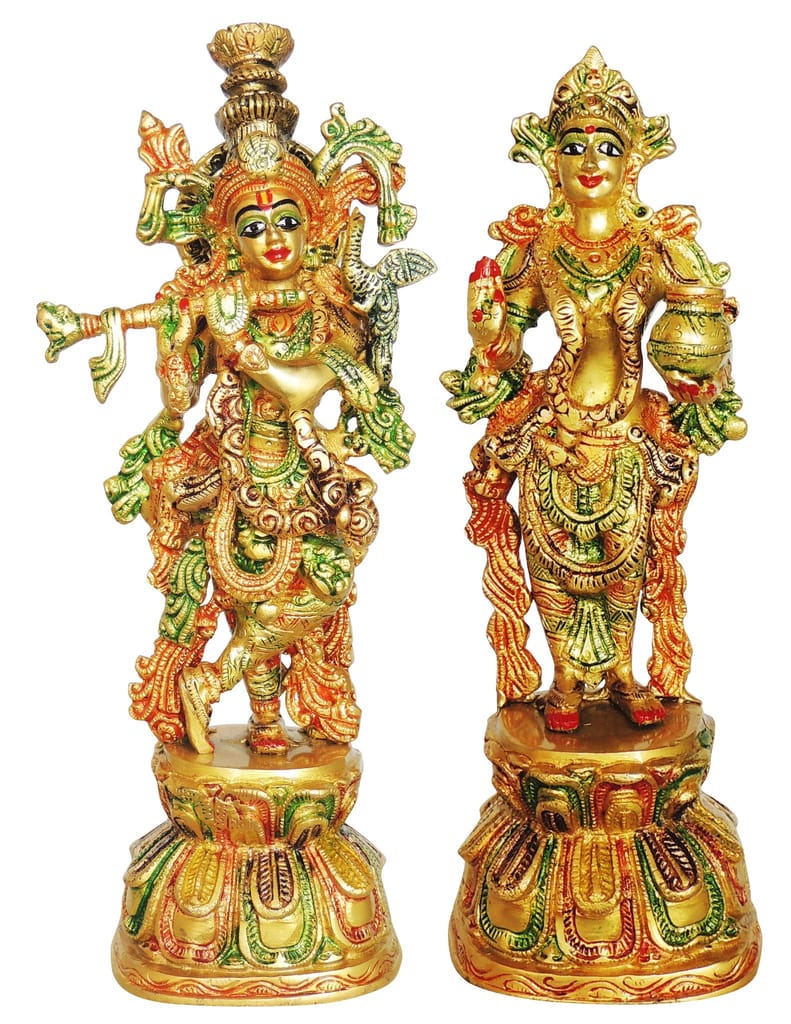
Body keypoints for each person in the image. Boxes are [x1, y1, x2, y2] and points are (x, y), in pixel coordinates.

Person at [38, 23, 433, 754]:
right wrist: (151, 340)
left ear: (314, 228)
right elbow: (177, 380)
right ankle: (258, 719)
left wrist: (243, 349)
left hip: (302, 469)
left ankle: (221, 679)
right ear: (228, 241)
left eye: (287, 219)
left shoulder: (331, 313)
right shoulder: (220, 299)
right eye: (253, 226)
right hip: (227, 468)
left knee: (325, 580)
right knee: (229, 593)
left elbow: (304, 388)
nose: (273, 237)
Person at [442, 47, 745, 732]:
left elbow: (702, 317)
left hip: (629, 428)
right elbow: (505, 340)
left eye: (606, 145)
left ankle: (624, 674)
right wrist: (488, 332)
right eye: (573, 145)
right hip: (554, 428)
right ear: (551, 160)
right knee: (550, 558)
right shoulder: (539, 247)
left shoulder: (655, 246)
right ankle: (564, 683)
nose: (589, 160)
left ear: (631, 161)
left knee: (625, 561)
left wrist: (704, 368)